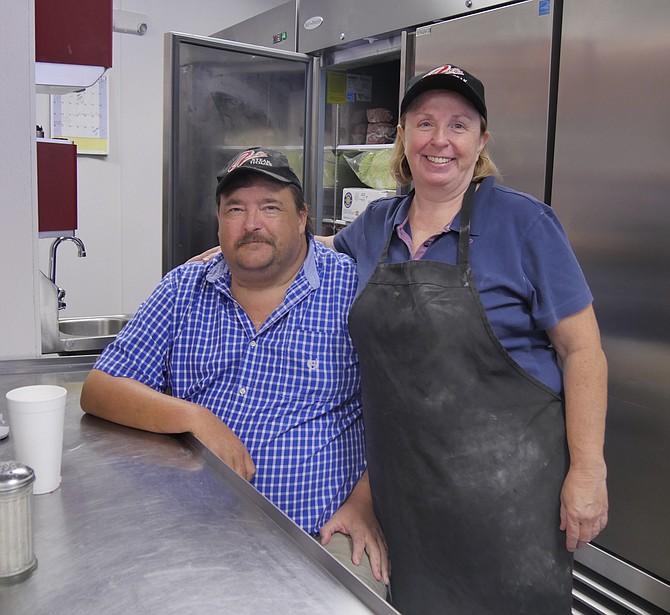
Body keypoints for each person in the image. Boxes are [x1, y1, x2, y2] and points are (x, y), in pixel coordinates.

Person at [318, 64, 609, 614]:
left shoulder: (525, 224)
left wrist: (589, 470)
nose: (440, 140)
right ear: (403, 136)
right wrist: (236, 246)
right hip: (407, 497)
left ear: (481, 141)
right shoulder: (378, 225)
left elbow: (583, 351)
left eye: (459, 124)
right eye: (424, 123)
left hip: (511, 504)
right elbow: (316, 250)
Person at [80, 148, 389, 597]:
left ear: (302, 218)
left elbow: (400, 415)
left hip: (320, 534)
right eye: (235, 210)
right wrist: (196, 418)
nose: (252, 224)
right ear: (219, 221)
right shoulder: (183, 288)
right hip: (192, 531)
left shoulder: (354, 289)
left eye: (270, 207)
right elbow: (99, 388)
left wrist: (364, 502)